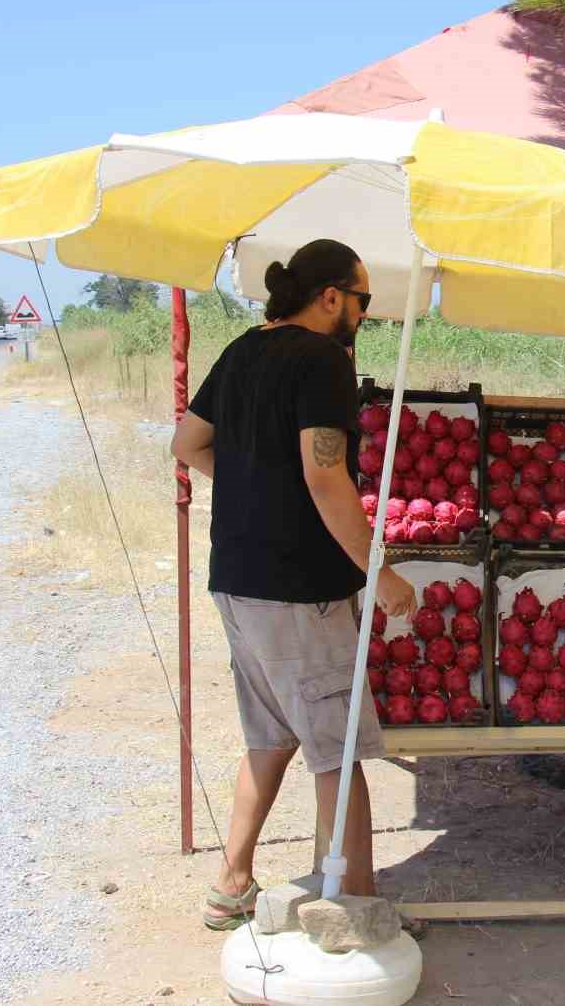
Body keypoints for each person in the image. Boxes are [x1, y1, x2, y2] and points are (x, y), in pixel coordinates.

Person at [170, 238, 417, 931]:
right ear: (331, 296)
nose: (366, 315)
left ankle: (232, 884)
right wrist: (379, 570)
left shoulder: (242, 350)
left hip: (237, 581)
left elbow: (187, 446)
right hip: (298, 589)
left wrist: (256, 489)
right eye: (363, 300)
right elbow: (324, 475)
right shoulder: (321, 362)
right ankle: (357, 909)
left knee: (272, 736)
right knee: (340, 752)